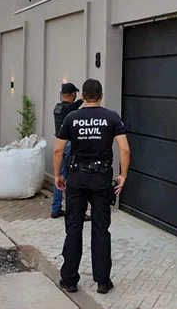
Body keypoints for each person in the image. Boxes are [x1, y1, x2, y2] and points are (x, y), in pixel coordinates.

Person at [53, 79, 130, 294]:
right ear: (101, 96)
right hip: (101, 179)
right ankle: (103, 281)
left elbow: (58, 150)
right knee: (101, 229)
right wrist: (123, 175)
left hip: (76, 178)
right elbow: (124, 149)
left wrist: (58, 175)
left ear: (83, 97)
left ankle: (69, 280)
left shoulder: (72, 117)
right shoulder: (112, 117)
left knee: (74, 228)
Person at [51, 82, 84, 219]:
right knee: (73, 178)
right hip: (70, 145)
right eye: (75, 94)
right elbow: (74, 108)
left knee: (60, 177)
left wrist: (82, 100)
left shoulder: (58, 107)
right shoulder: (70, 110)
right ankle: (75, 211)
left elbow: (74, 105)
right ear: (72, 94)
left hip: (60, 144)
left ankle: (56, 208)